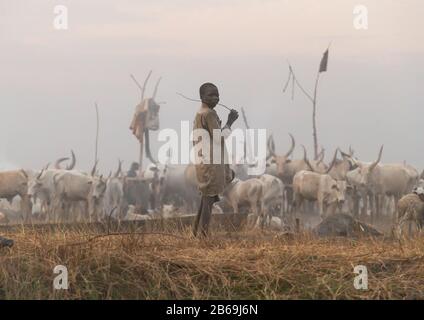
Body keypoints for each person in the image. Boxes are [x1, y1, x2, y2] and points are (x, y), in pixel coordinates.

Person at [192, 83, 239, 237]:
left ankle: (195, 231)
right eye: (211, 95)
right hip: (211, 163)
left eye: (217, 95)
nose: (215, 98)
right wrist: (230, 122)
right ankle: (203, 235)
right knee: (208, 199)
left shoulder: (200, 113)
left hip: (203, 161)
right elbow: (219, 139)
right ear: (202, 97)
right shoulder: (209, 114)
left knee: (207, 197)